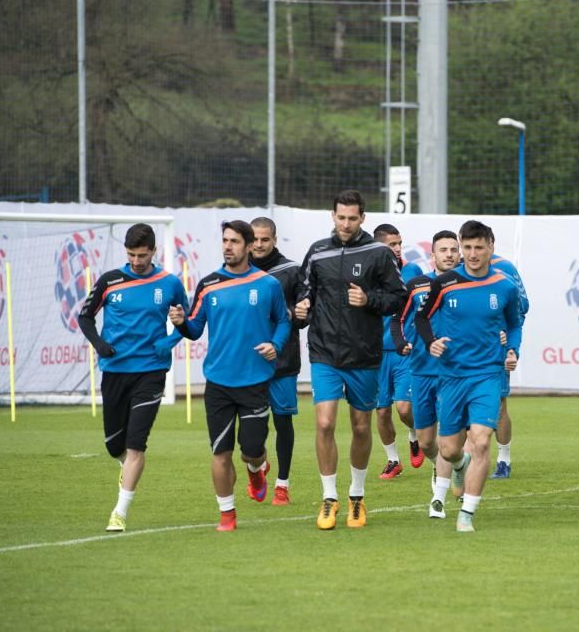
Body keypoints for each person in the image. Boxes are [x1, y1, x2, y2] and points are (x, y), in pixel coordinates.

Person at [295, 190, 407, 530]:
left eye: (352, 218)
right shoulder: (317, 252)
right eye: (340, 217)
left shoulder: (378, 253)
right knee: (325, 423)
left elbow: (398, 298)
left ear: (363, 218)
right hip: (325, 352)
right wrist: (301, 310)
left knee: (361, 426)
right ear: (332, 215)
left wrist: (369, 298)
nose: (345, 224)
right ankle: (329, 498)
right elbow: (304, 293)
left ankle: (356, 497)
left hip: (364, 354)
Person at [170, 220, 291, 531]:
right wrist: (182, 322)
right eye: (225, 240)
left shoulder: (267, 284)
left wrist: (275, 345)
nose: (228, 246)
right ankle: (227, 515)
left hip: (254, 382)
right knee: (220, 452)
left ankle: (255, 468)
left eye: (235, 241)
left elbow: (283, 321)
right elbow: (195, 330)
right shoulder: (208, 285)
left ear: (249, 246)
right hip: (218, 384)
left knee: (252, 450)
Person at [78, 223, 188, 533]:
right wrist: (100, 345)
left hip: (151, 373)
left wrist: (166, 343)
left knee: (137, 444)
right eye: (131, 255)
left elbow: (187, 321)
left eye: (142, 255)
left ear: (154, 251)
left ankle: (119, 512)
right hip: (115, 372)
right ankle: (126, 467)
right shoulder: (109, 281)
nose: (136, 261)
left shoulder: (169, 283)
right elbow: (84, 317)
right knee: (115, 447)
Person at [414, 220, 522, 532]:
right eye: (468, 247)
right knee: (448, 449)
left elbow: (514, 324)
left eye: (479, 247)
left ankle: (467, 515)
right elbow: (422, 318)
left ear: (491, 248)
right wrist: (430, 341)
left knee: (481, 441)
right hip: (451, 375)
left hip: (488, 374)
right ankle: (458, 467)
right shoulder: (445, 283)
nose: (473, 254)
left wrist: (512, 351)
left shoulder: (504, 285)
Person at [390, 230, 460, 517]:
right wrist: (401, 343)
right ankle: (450, 464)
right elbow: (398, 319)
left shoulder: (467, 285)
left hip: (455, 373)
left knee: (446, 437)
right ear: (432, 256)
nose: (448, 254)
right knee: (427, 441)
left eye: (453, 249)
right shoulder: (417, 286)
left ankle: (438, 500)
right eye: (442, 250)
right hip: (420, 371)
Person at [250, 216, 306, 505]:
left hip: (283, 362)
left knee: (283, 422)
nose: (259, 245)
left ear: (274, 239)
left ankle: (282, 484)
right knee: (253, 429)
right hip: (248, 364)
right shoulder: (238, 272)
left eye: (265, 239)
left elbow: (304, 315)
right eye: (255, 239)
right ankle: (258, 464)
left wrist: (303, 312)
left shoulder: (291, 271)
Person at [372, 223, 424, 479]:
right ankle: (393, 460)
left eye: (399, 243)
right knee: (382, 411)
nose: (397, 249)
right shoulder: (367, 274)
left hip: (405, 351)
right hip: (375, 355)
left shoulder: (412, 271)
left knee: (404, 408)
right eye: (391, 244)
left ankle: (415, 436)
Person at [489, 251, 529, 479]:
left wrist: (509, 341)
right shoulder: (458, 273)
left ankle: (504, 459)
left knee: (499, 405)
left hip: (496, 349)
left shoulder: (506, 269)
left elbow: (522, 306)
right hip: (462, 353)